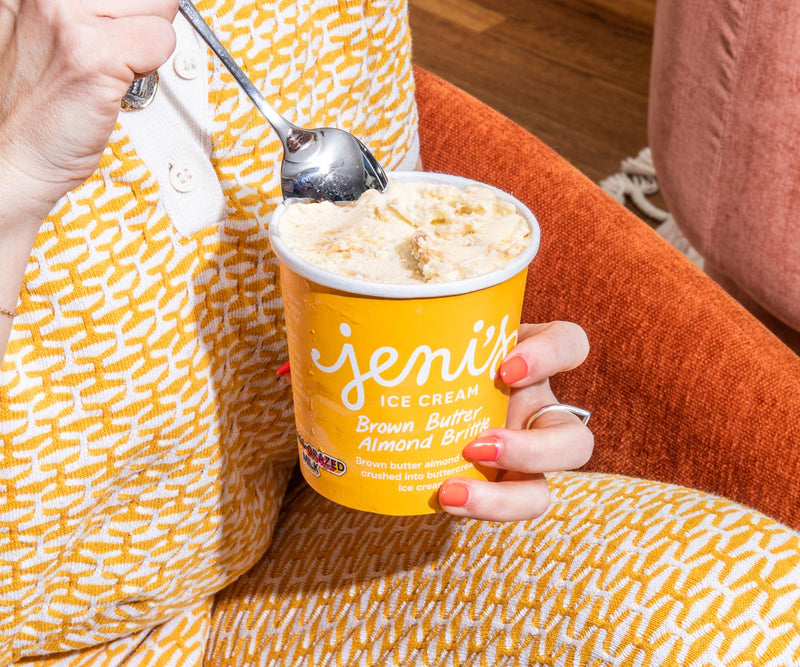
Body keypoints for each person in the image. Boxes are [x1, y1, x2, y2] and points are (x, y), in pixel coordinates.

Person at [1, 1, 799, 664]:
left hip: (287, 550)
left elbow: (365, 258)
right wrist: (19, 170)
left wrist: (452, 383)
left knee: (755, 613)